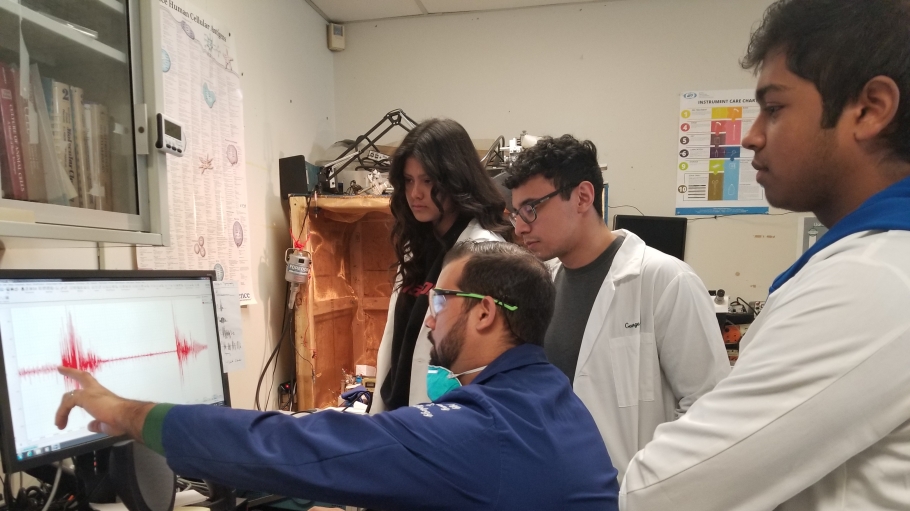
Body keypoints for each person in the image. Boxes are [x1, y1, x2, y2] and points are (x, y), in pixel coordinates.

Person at [55, 241, 620, 511]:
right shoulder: (555, 402)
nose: (430, 313)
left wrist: (127, 412)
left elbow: (293, 447)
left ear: (484, 312)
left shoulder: (483, 431)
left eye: (441, 298)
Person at [620, 1, 910, 509]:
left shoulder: (873, 280)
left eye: (774, 108)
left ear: (870, 108)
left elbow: (660, 492)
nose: (752, 137)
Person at [504, 135, 730, 480]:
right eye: (516, 213)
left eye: (532, 208)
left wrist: (649, 483)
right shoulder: (542, 284)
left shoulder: (665, 280)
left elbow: (709, 409)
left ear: (582, 197)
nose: (520, 227)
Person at [373, 118, 511, 413]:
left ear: (456, 179)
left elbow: (484, 360)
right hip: (400, 415)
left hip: (445, 418)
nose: (415, 194)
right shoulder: (416, 248)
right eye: (408, 181)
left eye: (428, 180)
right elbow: (398, 341)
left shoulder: (483, 251)